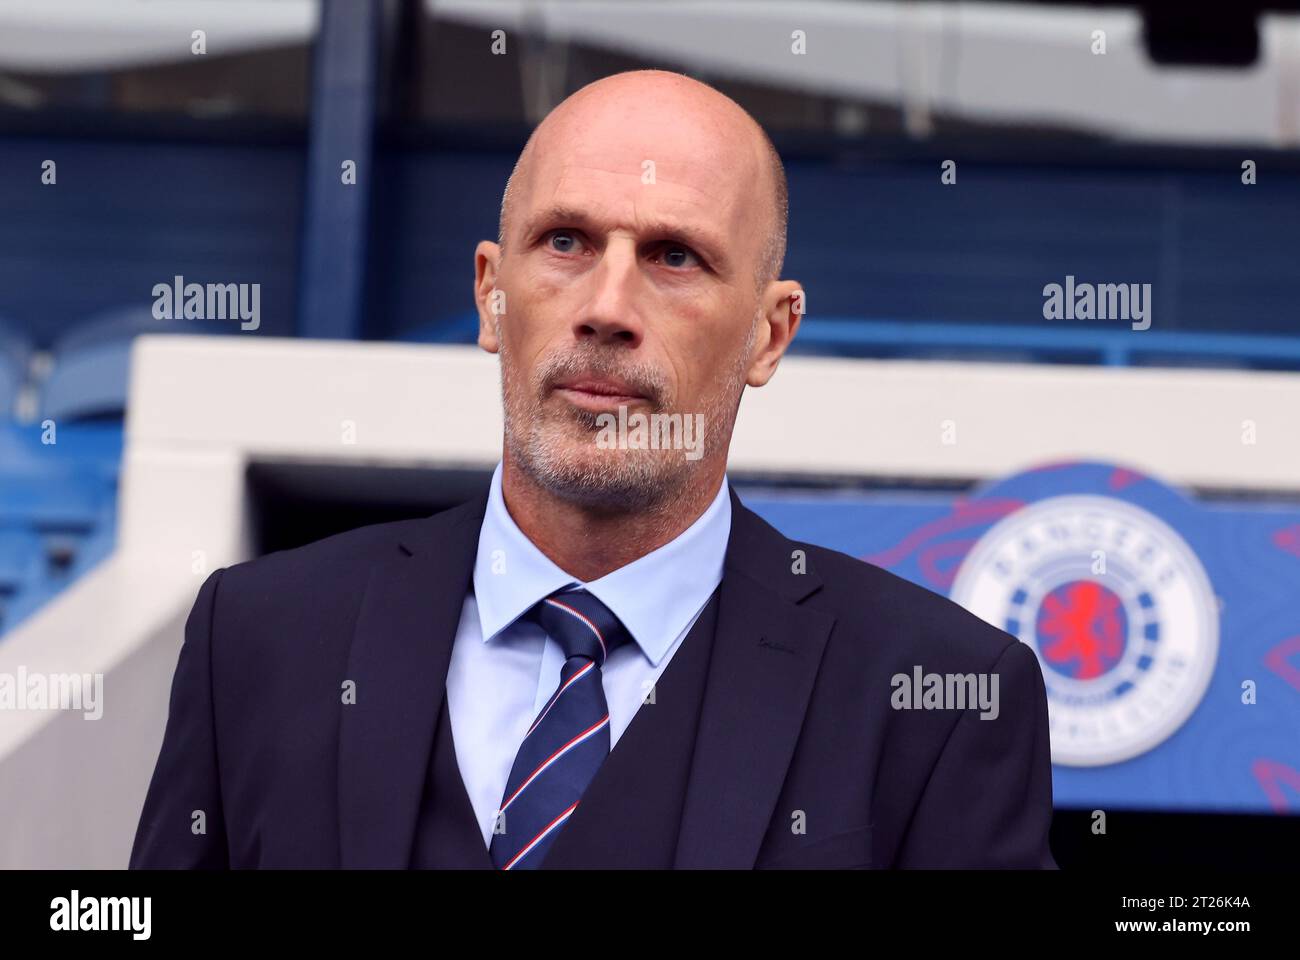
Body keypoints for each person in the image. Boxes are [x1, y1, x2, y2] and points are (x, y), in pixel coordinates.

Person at [130, 69, 1055, 870]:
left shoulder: (940, 697)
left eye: (674, 256)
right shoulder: (256, 639)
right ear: (493, 295)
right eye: (566, 242)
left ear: (769, 335)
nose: (606, 308)